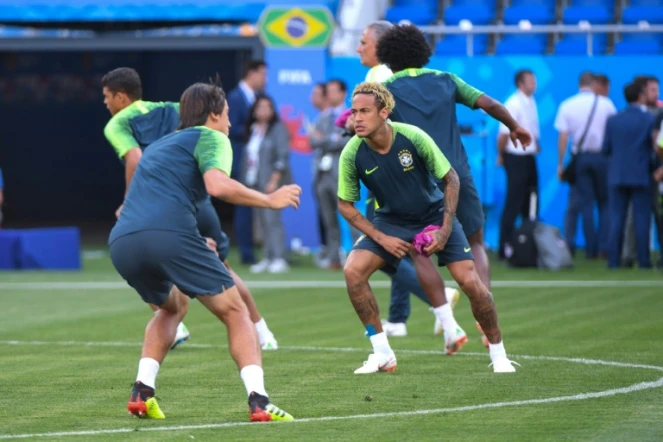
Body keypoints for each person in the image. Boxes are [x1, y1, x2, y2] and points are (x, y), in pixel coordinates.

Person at [109, 81, 300, 421]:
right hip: (167, 236)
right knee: (235, 312)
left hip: (122, 241)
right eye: (227, 114)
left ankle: (142, 391)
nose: (229, 122)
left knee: (171, 308)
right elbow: (217, 186)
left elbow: (169, 199)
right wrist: (269, 199)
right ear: (214, 114)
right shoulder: (212, 137)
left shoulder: (159, 146)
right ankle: (259, 400)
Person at [338, 82, 517, 374]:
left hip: (434, 215)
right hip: (391, 221)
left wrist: (445, 230)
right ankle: (382, 353)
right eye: (354, 111)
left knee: (470, 282)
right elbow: (345, 205)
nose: (356, 118)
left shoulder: (413, 137)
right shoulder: (352, 153)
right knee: (352, 271)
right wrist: (382, 238)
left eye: (365, 111)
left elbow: (452, 179)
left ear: (384, 113)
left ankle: (499, 355)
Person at [102, 67, 279, 350]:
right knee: (224, 269)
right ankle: (262, 331)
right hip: (198, 201)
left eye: (106, 97)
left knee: (143, 255)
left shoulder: (116, 124)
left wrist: (128, 199)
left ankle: (176, 325)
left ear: (121, 97)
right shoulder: (174, 108)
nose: (105, 103)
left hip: (164, 207)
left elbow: (135, 157)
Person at [376, 24, 531, 347]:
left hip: (416, 181)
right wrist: (514, 127)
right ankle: (486, 321)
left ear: (388, 58)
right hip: (457, 174)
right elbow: (489, 104)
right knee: (475, 244)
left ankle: (449, 326)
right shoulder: (446, 80)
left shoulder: (387, 88)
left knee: (420, 253)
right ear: (423, 52)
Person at [358, 20, 460, 338]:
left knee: (386, 246)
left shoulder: (381, 76)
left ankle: (437, 297)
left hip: (389, 174)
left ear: (380, 44)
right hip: (396, 172)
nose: (359, 47)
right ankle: (400, 317)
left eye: (363, 42)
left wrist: (348, 122)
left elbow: (384, 126)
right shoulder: (382, 75)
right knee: (396, 246)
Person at [555, 72, 616, 259]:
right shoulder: (606, 104)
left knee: (585, 204)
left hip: (580, 158)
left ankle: (589, 249)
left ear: (579, 84)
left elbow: (563, 137)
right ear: (594, 84)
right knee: (605, 204)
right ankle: (603, 247)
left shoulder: (568, 104)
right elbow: (613, 132)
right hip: (602, 158)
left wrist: (560, 163)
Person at [603, 81, 654, 269]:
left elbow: (606, 148)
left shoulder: (613, 119)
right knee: (641, 219)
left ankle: (613, 261)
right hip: (640, 174)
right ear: (641, 96)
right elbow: (654, 146)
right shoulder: (648, 119)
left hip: (617, 175)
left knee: (616, 219)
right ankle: (644, 261)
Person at [242, 95, 292, 274]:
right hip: (254, 181)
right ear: (254, 110)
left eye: (267, 107)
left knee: (273, 220)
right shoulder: (254, 129)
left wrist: (274, 180)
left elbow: (282, 157)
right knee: (261, 221)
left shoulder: (278, 129)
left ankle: (279, 258)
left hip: (272, 182)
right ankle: (268, 256)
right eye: (260, 107)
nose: (263, 110)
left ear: (272, 110)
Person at [227, 60, 268, 265]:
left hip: (260, 163)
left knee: (260, 206)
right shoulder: (235, 97)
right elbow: (229, 128)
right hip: (242, 163)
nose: (265, 79)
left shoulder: (259, 97)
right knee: (243, 207)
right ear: (251, 73)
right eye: (262, 74)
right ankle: (246, 253)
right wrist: (251, 129)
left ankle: (268, 252)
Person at [497, 69, 541, 259]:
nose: (534, 83)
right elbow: (502, 134)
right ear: (520, 83)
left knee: (531, 201)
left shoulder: (531, 102)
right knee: (513, 201)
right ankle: (505, 245)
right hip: (515, 158)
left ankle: (526, 243)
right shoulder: (513, 103)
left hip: (529, 157)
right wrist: (501, 155)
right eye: (530, 80)